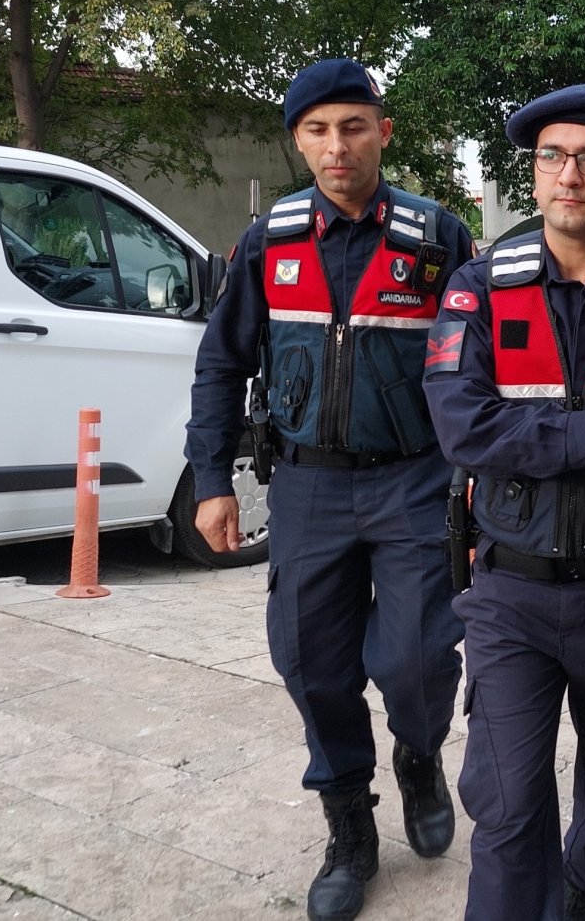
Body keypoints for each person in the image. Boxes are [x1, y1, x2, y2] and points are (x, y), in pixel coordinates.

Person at [186, 58, 475, 921]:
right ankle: (349, 826)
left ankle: (418, 758)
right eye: (317, 130)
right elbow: (221, 362)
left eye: (353, 127)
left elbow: (478, 365)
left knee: (419, 661)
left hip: (416, 483)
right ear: (299, 140)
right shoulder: (270, 240)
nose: (336, 145)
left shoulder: (438, 238)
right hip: (309, 488)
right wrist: (212, 479)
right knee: (312, 666)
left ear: (384, 132)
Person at [424, 82, 585, 921]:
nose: (570, 175)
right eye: (553, 158)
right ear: (533, 177)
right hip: (511, 592)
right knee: (504, 800)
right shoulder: (479, 287)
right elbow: (465, 428)